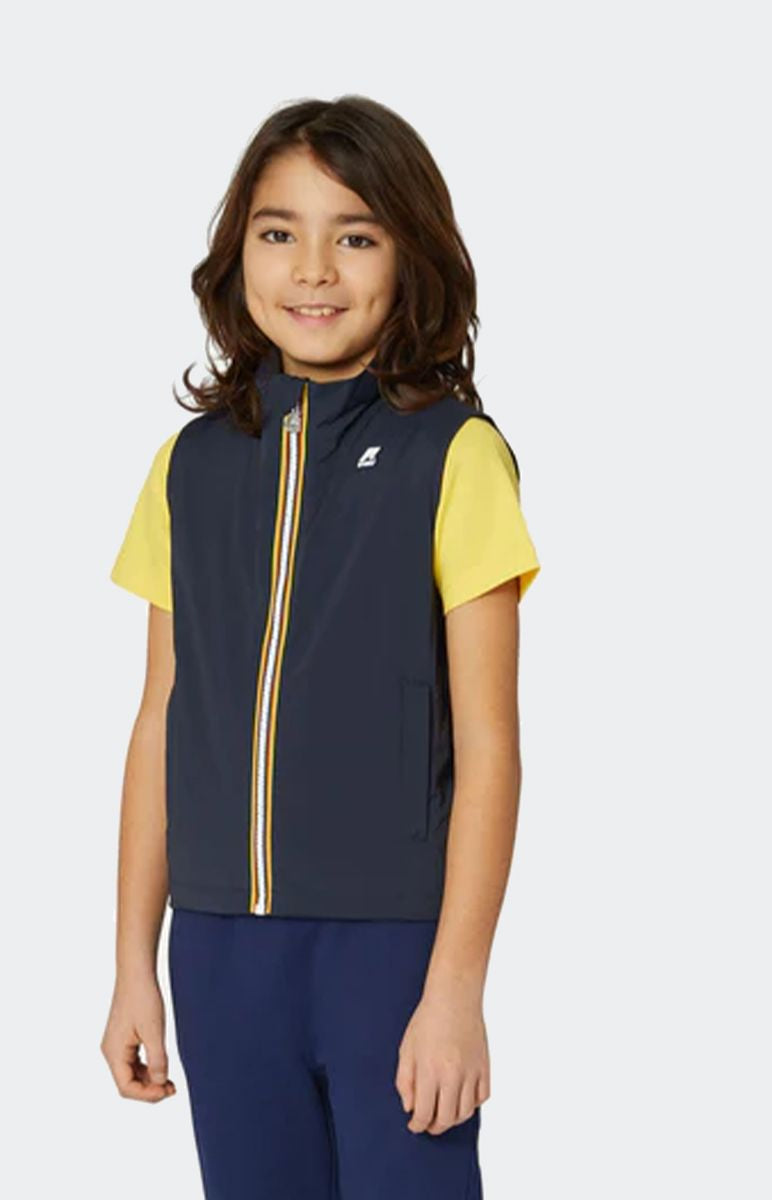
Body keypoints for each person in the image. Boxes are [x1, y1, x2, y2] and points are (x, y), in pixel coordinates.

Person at [101, 94, 541, 1200]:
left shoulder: (456, 457)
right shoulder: (190, 467)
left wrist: (456, 987)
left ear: (410, 257)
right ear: (237, 253)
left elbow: (490, 744)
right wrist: (132, 965)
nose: (312, 270)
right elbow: (160, 721)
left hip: (387, 953)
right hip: (220, 953)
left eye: (355, 236)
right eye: (278, 231)